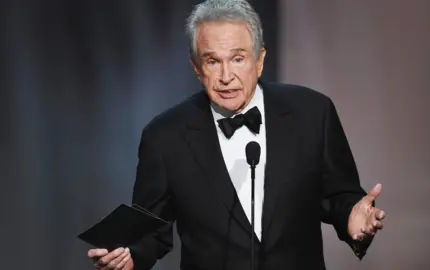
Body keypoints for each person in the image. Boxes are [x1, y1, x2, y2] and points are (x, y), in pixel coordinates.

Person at [87, 0, 386, 269]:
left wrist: (352, 220)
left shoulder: (312, 113)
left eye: (238, 58)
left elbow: (338, 195)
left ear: (259, 60)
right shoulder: (165, 136)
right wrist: (130, 258)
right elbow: (150, 229)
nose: (226, 76)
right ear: (196, 67)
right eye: (212, 61)